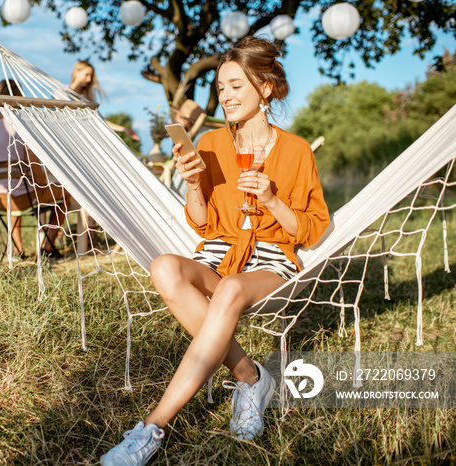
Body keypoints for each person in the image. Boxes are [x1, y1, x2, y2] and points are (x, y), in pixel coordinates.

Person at [100, 37, 330, 466]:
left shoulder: (297, 151)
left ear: (264, 89)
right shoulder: (209, 143)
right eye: (221, 87)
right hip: (220, 252)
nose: (225, 95)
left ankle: (152, 427)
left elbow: (312, 231)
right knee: (164, 267)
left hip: (271, 260)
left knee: (228, 291)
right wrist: (191, 184)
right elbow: (202, 223)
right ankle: (251, 377)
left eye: (236, 86)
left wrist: (272, 199)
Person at [0, 79, 65, 259]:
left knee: (12, 193)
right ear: (19, 99)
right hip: (24, 199)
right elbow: (39, 179)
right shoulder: (21, 130)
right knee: (67, 191)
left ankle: (17, 249)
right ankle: (48, 246)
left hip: (0, 200)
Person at [69, 60, 140, 141]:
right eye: (86, 75)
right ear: (76, 72)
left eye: (91, 76)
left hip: (87, 139)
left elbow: (100, 120)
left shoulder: (86, 98)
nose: (89, 79)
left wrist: (124, 129)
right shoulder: (61, 94)